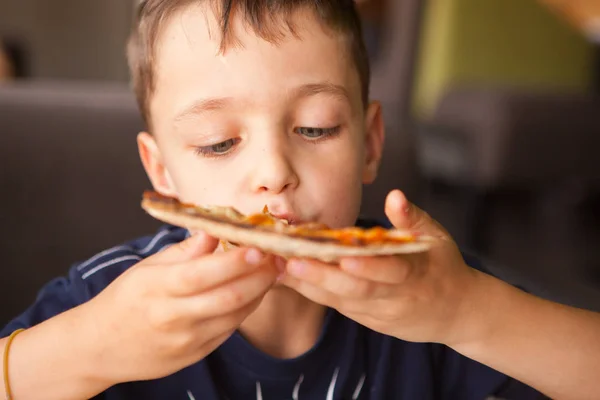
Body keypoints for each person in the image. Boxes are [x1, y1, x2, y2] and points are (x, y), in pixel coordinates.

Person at [1, 1, 599, 399]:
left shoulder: (427, 294)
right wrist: (88, 349)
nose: (273, 174)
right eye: (218, 143)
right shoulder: (110, 300)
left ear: (369, 144)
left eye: (314, 128)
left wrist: (468, 313)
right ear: (163, 173)